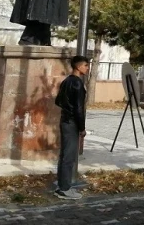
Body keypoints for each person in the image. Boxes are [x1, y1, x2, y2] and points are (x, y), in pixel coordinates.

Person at [54, 55, 88, 200]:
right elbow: (79, 109)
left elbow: (58, 101)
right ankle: (64, 189)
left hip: (65, 120)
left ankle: (62, 185)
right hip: (72, 122)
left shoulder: (66, 81)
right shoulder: (78, 84)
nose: (87, 68)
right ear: (78, 67)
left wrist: (66, 108)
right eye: (86, 65)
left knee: (64, 155)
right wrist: (82, 128)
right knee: (69, 156)